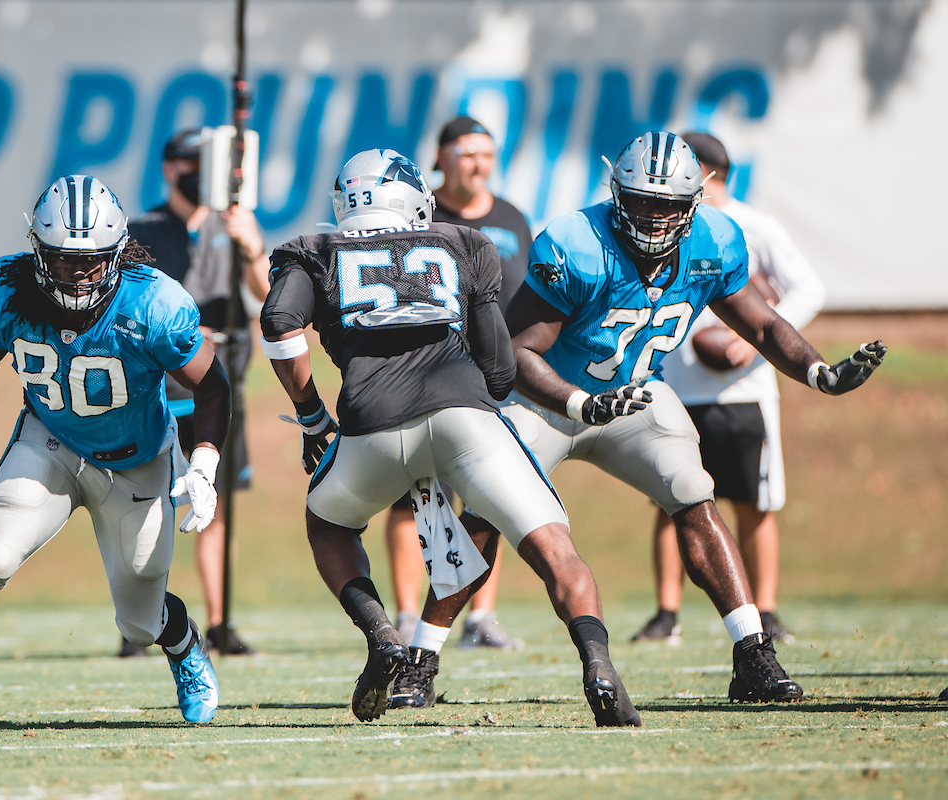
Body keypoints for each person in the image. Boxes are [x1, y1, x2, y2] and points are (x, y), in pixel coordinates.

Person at [388, 131, 886, 709]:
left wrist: (819, 373)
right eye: (642, 200)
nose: (653, 216)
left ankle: (754, 656)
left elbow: (764, 325)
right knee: (486, 513)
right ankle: (420, 663)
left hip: (633, 398)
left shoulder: (715, 241)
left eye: (667, 204)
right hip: (545, 401)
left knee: (694, 495)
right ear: (617, 192)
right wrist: (577, 403)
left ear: (694, 202)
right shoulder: (577, 242)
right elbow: (517, 352)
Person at [260, 148, 641, 727]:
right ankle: (598, 664)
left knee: (329, 524)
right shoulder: (463, 243)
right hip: (467, 416)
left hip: (371, 424)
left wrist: (311, 415)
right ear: (417, 199)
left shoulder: (314, 251)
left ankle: (383, 633)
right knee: (554, 547)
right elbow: (501, 369)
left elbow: (278, 324)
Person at [0, 175, 230, 735]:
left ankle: (182, 645)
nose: (78, 274)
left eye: (91, 260)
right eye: (62, 259)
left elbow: (214, 384)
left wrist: (203, 463)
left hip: (137, 460)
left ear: (118, 251)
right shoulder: (4, 290)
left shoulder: (153, 302)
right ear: (37, 249)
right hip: (50, 443)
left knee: (137, 623)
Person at [632, 132, 825, 646]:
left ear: (712, 174)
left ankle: (766, 609)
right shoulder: (651, 224)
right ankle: (666, 611)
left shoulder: (752, 226)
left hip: (745, 391)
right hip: (678, 385)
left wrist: (755, 340)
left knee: (752, 502)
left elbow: (808, 287)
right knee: (673, 498)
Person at [385, 116, 534, 650]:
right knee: (417, 497)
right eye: (467, 153)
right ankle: (407, 614)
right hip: (426, 375)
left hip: (493, 384)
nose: (478, 164)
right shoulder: (417, 213)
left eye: (486, 153)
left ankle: (480, 618)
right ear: (440, 158)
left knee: (489, 498)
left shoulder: (513, 217)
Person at [123, 129, 271, 657]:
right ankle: (140, 621)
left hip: (217, 387)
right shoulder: (140, 232)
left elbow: (264, 295)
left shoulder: (230, 225)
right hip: (155, 391)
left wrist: (253, 248)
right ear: (169, 167)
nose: (196, 171)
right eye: (188, 162)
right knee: (142, 505)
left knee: (217, 507)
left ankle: (219, 621)